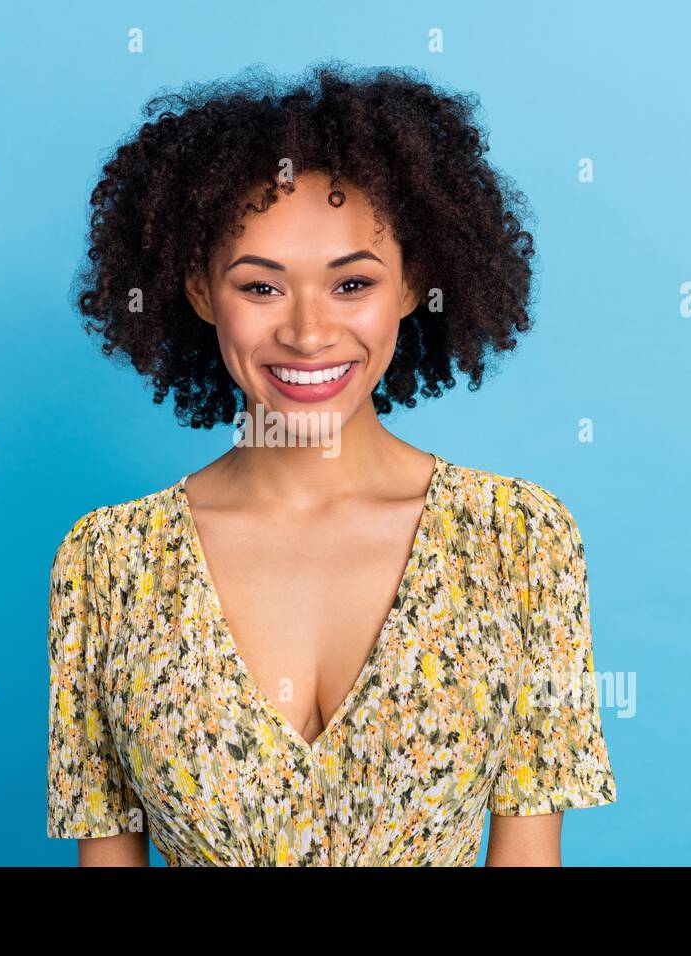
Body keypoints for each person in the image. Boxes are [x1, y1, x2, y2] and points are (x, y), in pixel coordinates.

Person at [48, 61, 617, 866]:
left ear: (415, 284)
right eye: (261, 288)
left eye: (352, 283)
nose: (310, 333)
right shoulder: (107, 564)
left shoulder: (520, 540)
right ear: (200, 292)